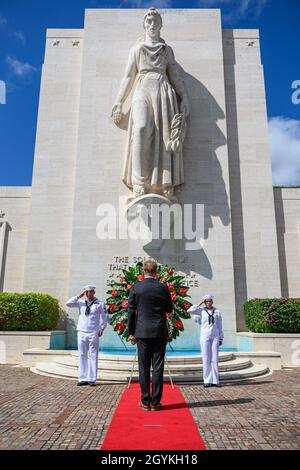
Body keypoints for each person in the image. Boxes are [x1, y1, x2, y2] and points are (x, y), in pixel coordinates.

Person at [111, 8, 189, 199]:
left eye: (155, 21)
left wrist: (184, 96)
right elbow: (128, 76)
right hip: (142, 87)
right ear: (144, 25)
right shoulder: (136, 49)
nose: (152, 24)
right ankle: (139, 181)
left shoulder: (166, 50)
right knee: (141, 127)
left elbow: (175, 76)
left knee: (164, 136)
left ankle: (165, 182)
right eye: (149, 21)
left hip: (163, 90)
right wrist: (119, 102)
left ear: (160, 25)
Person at [128, 260, 173, 410]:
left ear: (143, 272)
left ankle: (145, 401)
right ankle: (156, 402)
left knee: (144, 367)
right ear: (156, 272)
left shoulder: (136, 287)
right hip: (159, 331)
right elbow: (169, 308)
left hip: (142, 331)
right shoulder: (163, 287)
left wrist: (131, 332)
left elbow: (131, 311)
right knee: (158, 367)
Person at [66, 285, 109, 386]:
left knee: (93, 355)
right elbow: (68, 303)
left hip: (93, 332)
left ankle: (92, 379)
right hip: (81, 331)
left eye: (91, 292)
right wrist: (79, 296)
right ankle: (82, 378)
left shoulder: (100, 303)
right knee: (82, 354)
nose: (89, 294)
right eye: (87, 292)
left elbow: (105, 317)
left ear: (94, 292)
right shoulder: (80, 302)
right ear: (85, 293)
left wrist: (101, 328)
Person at [188, 295, 224, 388]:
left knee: (214, 358)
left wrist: (221, 337)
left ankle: (215, 380)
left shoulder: (217, 311)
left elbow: (220, 326)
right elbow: (190, 310)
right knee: (206, 358)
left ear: (212, 302)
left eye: (210, 301)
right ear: (204, 302)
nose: (208, 303)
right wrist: (200, 303)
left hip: (215, 336)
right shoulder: (201, 310)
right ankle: (207, 380)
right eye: (206, 301)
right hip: (205, 337)